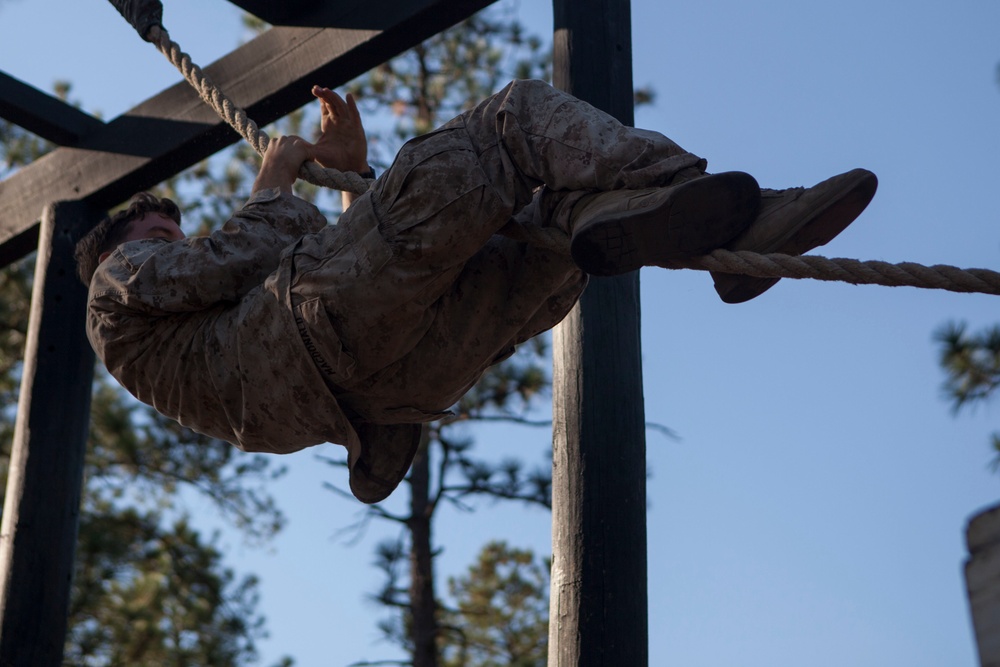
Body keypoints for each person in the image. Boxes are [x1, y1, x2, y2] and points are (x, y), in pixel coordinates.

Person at [75, 79, 877, 503]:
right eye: (157, 241)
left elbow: (360, 284)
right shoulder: (114, 288)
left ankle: (731, 233)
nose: (173, 249)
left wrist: (354, 178)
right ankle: (733, 218)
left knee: (552, 221)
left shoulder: (192, 357)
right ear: (116, 250)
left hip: (392, 383)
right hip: (323, 333)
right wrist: (275, 177)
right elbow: (250, 260)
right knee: (512, 123)